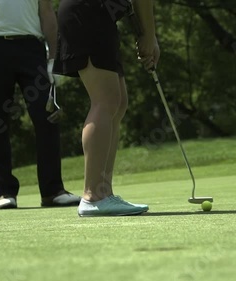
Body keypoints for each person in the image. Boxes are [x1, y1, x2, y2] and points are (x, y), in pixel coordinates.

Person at [0, 0, 81, 209]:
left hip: (32, 48)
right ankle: (5, 191)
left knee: (47, 116)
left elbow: (47, 14)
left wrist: (54, 57)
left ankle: (52, 191)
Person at [53, 0, 160, 216]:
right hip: (89, 12)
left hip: (99, 15)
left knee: (118, 102)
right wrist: (149, 36)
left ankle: (104, 192)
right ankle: (93, 196)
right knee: (105, 100)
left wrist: (144, 33)